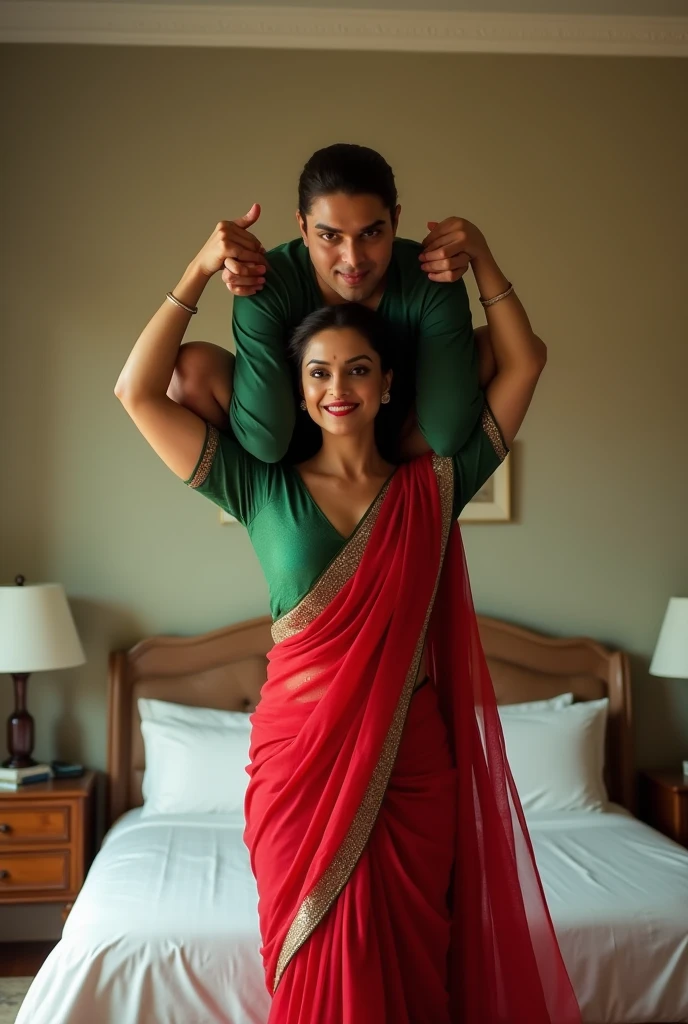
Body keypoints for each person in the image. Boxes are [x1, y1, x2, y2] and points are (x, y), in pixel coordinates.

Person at [114, 216, 582, 1023]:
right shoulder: (260, 489)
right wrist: (195, 269)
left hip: (411, 769)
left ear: (389, 383)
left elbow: (526, 358)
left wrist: (487, 262)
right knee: (312, 964)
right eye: (321, 372)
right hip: (299, 768)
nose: (340, 388)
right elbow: (135, 391)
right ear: (298, 387)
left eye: (359, 370)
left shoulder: (436, 485)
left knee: (412, 964)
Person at [167, 143, 495, 464]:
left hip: (397, 439)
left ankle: (375, 480)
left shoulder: (430, 275)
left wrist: (482, 257)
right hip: (288, 449)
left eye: (370, 234)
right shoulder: (267, 280)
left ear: (395, 223)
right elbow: (265, 441)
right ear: (303, 227)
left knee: (492, 347)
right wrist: (198, 269)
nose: (352, 259)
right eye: (330, 236)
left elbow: (446, 435)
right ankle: (291, 492)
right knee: (190, 368)